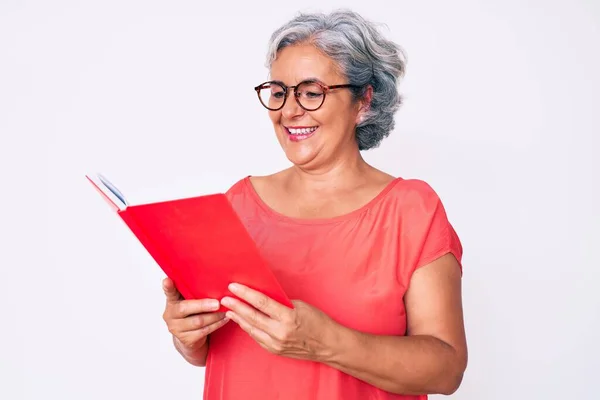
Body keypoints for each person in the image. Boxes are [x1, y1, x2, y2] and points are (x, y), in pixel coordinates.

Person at [161, 9, 467, 400]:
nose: (289, 110)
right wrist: (188, 335)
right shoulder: (236, 202)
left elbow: (446, 370)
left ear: (363, 101)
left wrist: (326, 342)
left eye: (311, 92)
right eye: (278, 91)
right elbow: (216, 349)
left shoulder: (411, 210)